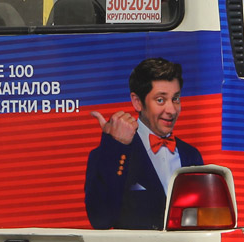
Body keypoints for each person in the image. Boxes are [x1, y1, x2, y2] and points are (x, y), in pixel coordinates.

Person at [84, 58, 203, 230]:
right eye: (161, 100)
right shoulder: (110, 152)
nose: (171, 110)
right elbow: (100, 219)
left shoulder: (191, 154)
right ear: (137, 102)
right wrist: (117, 146)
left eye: (176, 99)